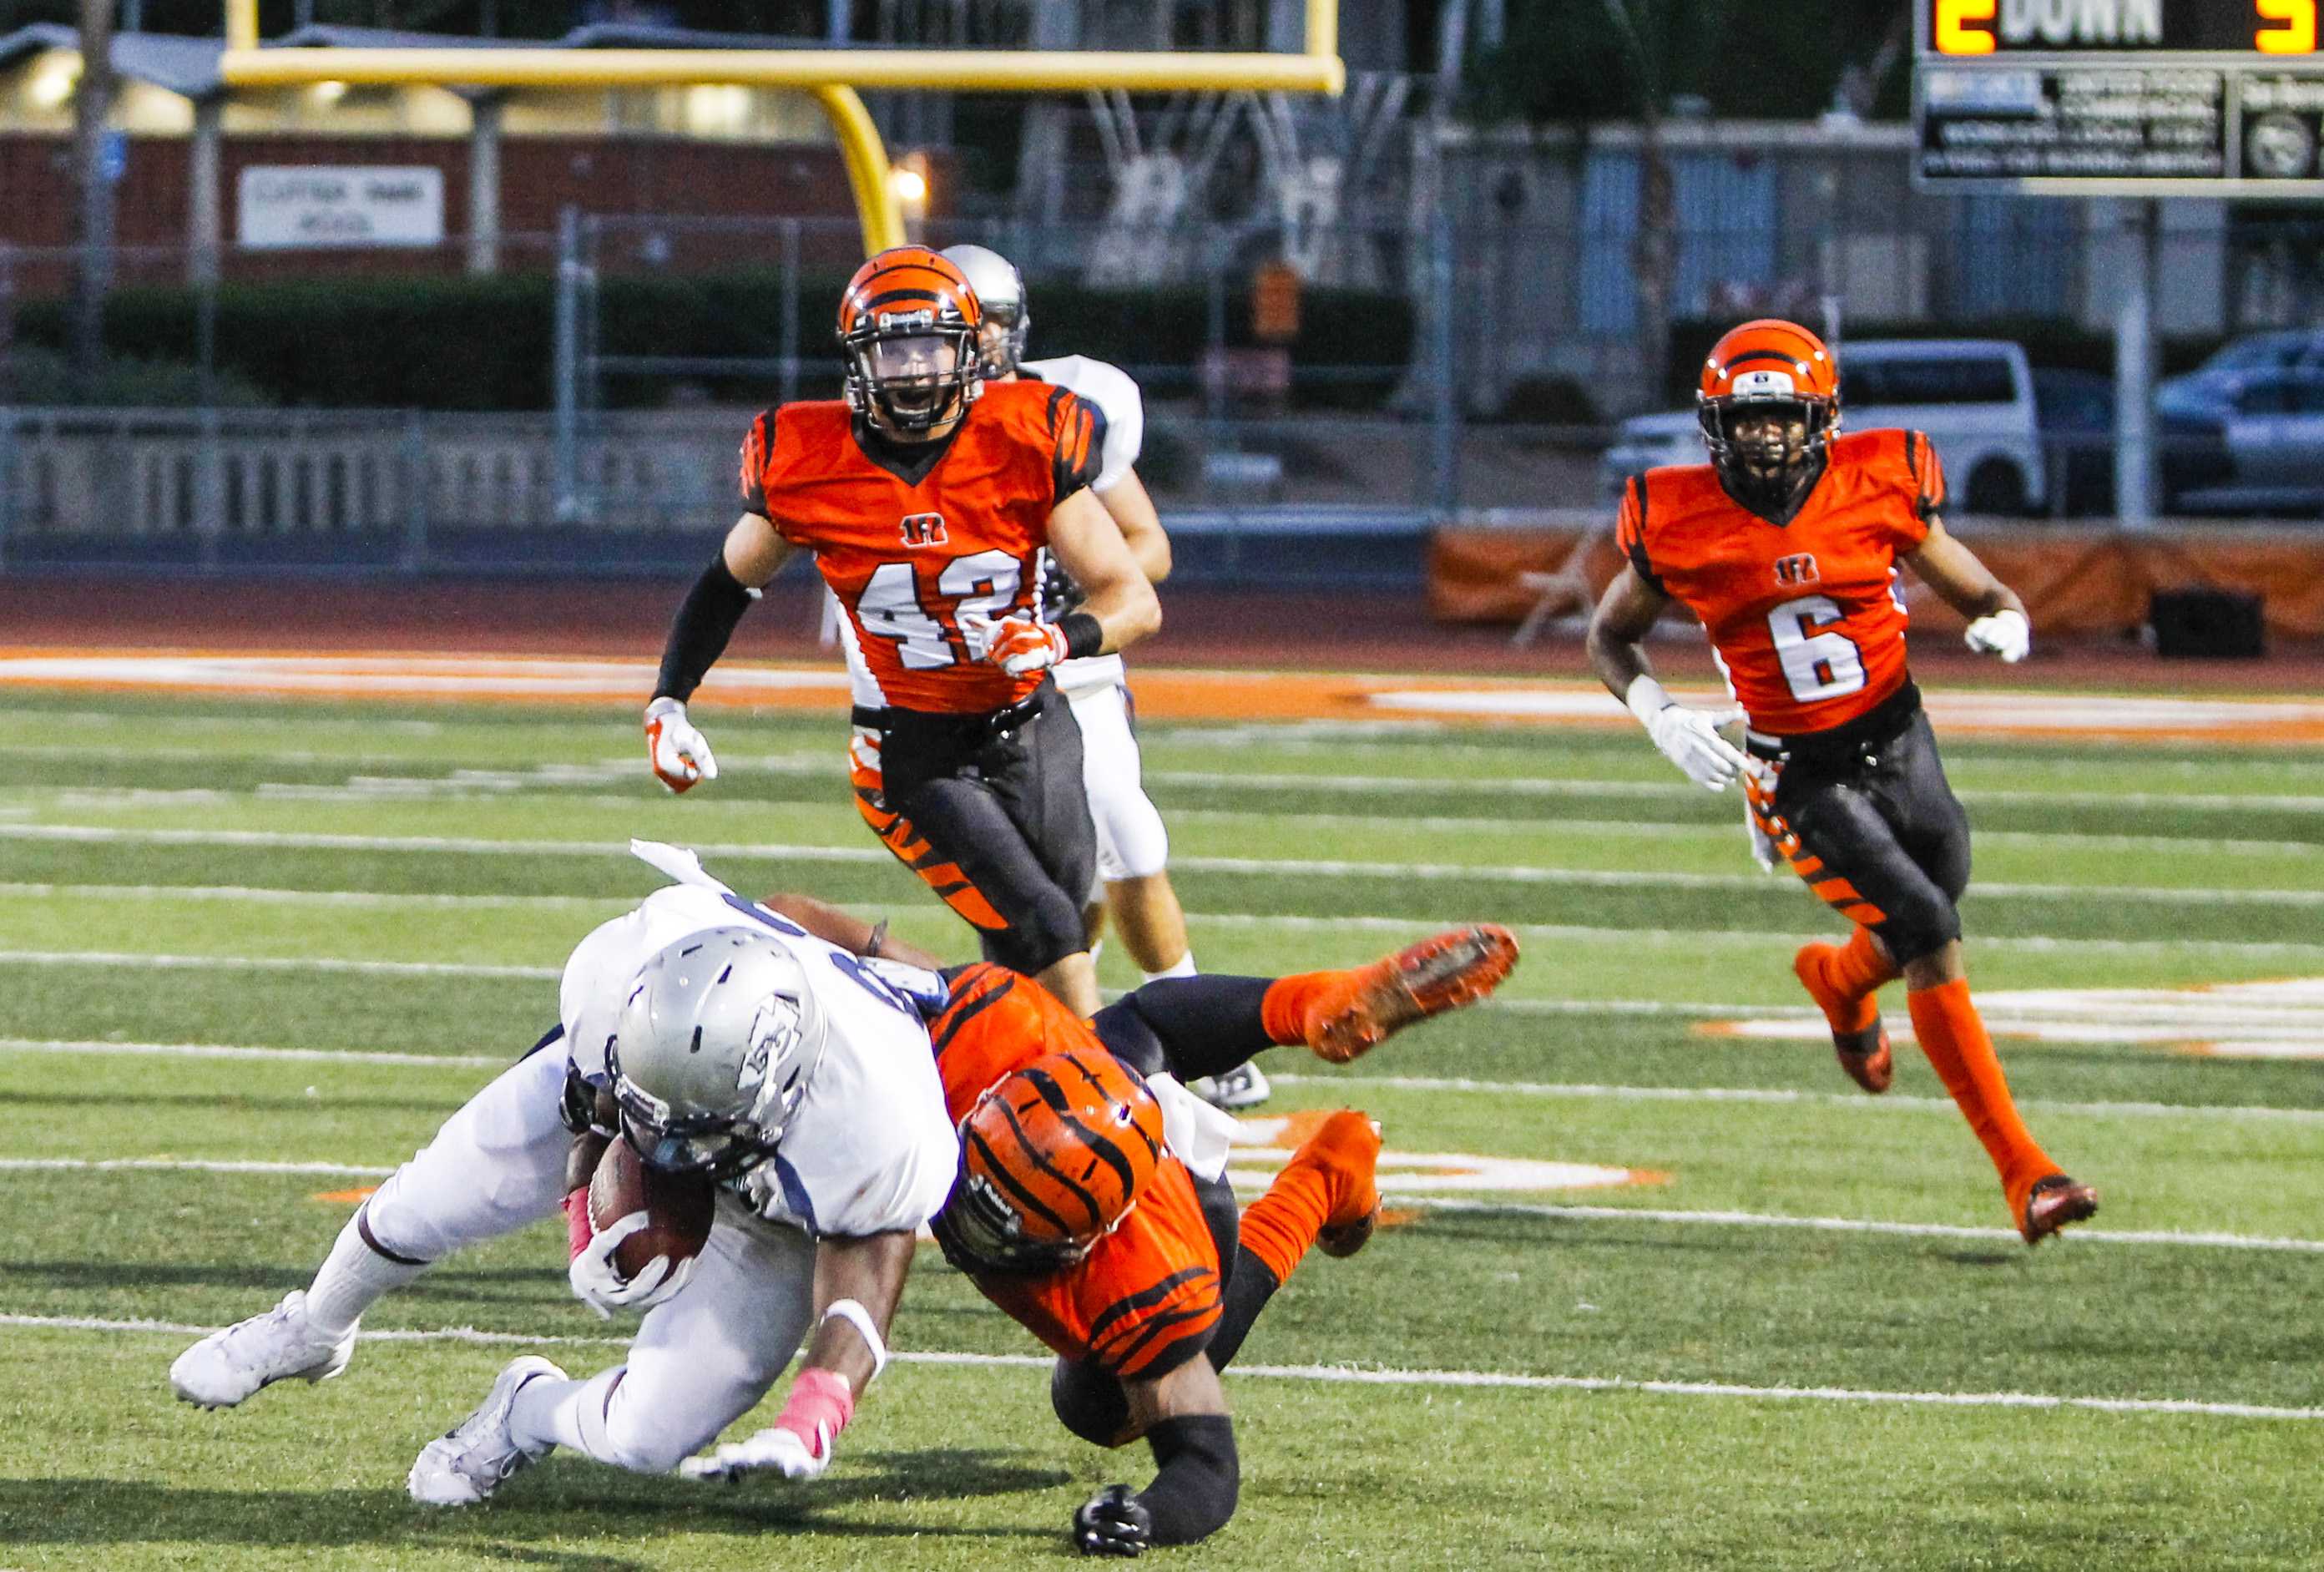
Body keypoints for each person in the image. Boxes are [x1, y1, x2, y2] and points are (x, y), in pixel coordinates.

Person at [700, 889, 1520, 1553]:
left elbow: (1206, 1465)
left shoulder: (1138, 1269)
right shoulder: (982, 1034)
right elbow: (1151, 1021)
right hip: (1087, 1082)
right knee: (1106, 1038)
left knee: (1099, 1405)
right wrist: (1310, 1006)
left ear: (1073, 1241)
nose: (978, 1230)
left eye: (1008, 1225)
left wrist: (1149, 1516)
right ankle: (1324, 1076)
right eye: (979, 1188)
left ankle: (1323, 1175)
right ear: (981, 1117)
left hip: (1184, 1206)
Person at [167, 842, 958, 1502]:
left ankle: (526, 1410)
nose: (665, 1149)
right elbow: (590, 1103)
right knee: (443, 1185)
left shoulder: (880, 1117)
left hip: (780, 1212)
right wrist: (587, 1208)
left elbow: (863, 1290)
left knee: (651, 1435)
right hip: (655, 1082)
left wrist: (809, 1419)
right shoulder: (626, 977)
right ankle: (315, 1324)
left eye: (688, 1133)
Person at [1584, 317, 2099, 1247]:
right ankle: (2028, 1171)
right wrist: (1661, 713)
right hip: (1797, 769)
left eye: (1781, 418)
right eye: (1744, 422)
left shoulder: (1882, 477)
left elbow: (1982, 590)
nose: (1763, 438)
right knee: (1930, 930)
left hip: (1901, 736)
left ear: (1820, 418)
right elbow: (1608, 634)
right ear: (1714, 426)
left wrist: (2007, 620)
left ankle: (1838, 979)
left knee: (1937, 890)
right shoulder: (1677, 513)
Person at [642, 246, 1161, 1018]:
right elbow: (728, 583)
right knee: (1048, 927)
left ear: (969, 350)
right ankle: (1096, 1104)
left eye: (930, 348)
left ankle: (983, 1076)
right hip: (912, 746)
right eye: (893, 351)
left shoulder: (1026, 436)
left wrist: (1059, 641)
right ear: (858, 360)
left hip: (1033, 722)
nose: (914, 372)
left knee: (1042, 930)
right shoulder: (807, 460)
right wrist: (669, 700)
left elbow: (1134, 598)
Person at [938, 241, 1269, 1113]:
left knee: (1129, 833)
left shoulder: (1069, 405)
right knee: (1045, 895)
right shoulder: (897, 431)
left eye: (995, 326)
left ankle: (1205, 1037)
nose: (981, 346)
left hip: (1072, 668)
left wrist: (1076, 600)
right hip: (962, 694)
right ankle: (1032, 1047)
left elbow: (1148, 544)